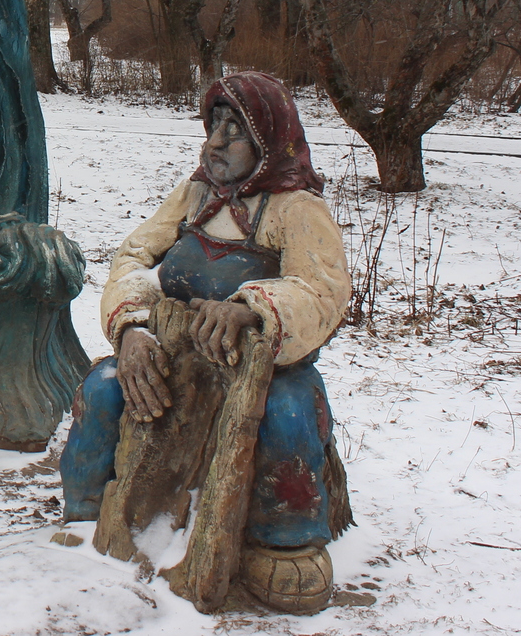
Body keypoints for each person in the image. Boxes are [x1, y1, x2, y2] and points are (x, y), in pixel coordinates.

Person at [59, 71, 351, 614]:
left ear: (268, 141)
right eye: (213, 125)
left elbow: (324, 290)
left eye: (234, 131)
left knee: (286, 415)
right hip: (175, 358)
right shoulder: (193, 197)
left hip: (262, 374)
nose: (214, 143)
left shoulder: (296, 210)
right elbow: (134, 258)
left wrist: (252, 307)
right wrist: (131, 330)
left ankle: (283, 541)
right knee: (102, 388)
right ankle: (92, 510)